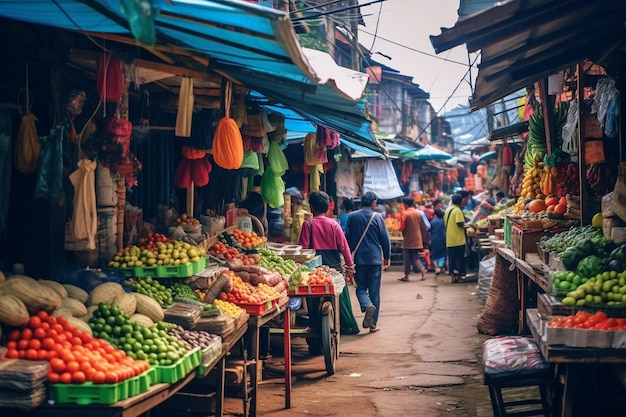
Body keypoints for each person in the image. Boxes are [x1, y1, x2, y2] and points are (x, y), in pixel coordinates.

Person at [299, 191, 359, 336]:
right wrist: (350, 266)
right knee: (338, 296)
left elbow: (303, 248)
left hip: (315, 270)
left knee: (312, 299)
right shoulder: (334, 224)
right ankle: (344, 325)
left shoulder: (308, 225)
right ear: (327, 208)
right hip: (334, 267)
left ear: (311, 208)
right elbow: (344, 247)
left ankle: (314, 326)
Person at [345, 191, 391, 333]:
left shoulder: (352, 217)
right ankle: (373, 324)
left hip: (359, 260)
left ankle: (366, 304)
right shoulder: (377, 217)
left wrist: (347, 259)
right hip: (375, 259)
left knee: (360, 288)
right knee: (375, 291)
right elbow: (385, 239)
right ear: (374, 203)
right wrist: (387, 257)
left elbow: (347, 239)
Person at [398, 197, 430, 282]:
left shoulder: (404, 213)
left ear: (405, 204)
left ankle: (406, 276)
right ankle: (422, 270)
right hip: (418, 238)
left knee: (407, 258)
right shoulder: (418, 213)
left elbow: (402, 227)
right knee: (416, 258)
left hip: (408, 238)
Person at [444, 193, 469, 283]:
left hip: (449, 239)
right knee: (461, 259)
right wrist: (468, 225)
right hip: (458, 239)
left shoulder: (448, 210)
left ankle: (453, 276)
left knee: (451, 259)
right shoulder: (457, 210)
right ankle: (460, 276)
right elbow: (460, 223)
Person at [429, 209, 447, 275]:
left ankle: (436, 268)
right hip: (444, 239)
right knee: (443, 253)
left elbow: (429, 230)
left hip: (434, 239)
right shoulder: (445, 222)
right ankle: (441, 267)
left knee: (434, 254)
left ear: (436, 215)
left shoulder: (433, 222)